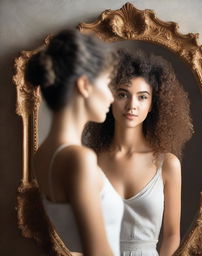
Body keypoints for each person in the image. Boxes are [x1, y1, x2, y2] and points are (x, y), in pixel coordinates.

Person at [83, 49, 194, 256]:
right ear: (110, 97)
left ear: (153, 104)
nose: (132, 105)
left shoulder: (168, 164)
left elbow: (171, 236)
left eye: (142, 97)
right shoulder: (90, 161)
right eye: (123, 94)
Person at [25, 29, 124, 256]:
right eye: (107, 82)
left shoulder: (44, 154)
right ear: (84, 85)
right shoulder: (79, 158)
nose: (111, 96)